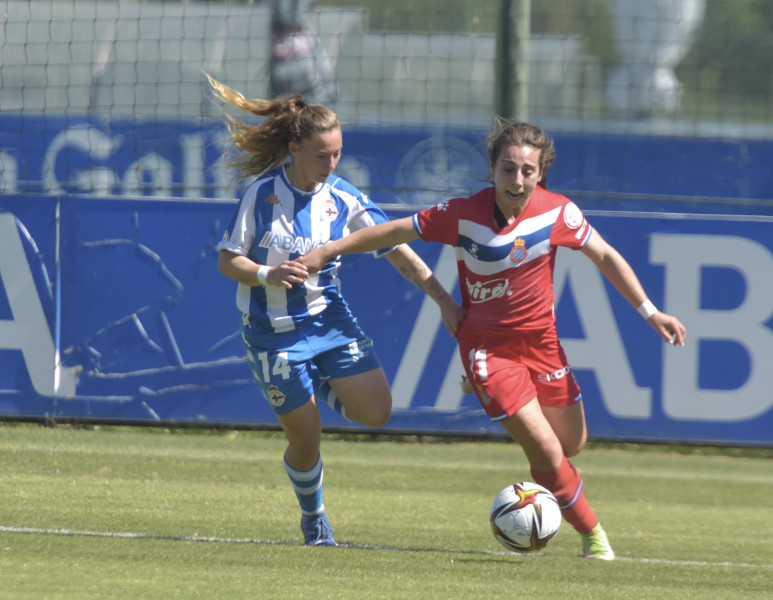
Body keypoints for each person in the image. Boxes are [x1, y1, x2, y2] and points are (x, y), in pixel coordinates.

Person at [299, 119, 687, 559]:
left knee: (568, 446)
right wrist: (328, 250)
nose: (517, 180)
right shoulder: (463, 214)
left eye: (527, 171)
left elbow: (606, 256)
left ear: (540, 174)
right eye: (508, 169)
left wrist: (651, 311)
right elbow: (395, 231)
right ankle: (594, 537)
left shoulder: (559, 212)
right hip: (486, 348)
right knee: (543, 449)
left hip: (543, 346)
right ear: (492, 168)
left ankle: (543, 475)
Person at [207, 74, 464, 547]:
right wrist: (267, 274)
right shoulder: (261, 195)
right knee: (307, 440)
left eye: (338, 152)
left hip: (329, 321)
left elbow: (398, 249)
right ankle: (315, 518)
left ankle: (318, 383)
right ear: (294, 148)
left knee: (377, 412)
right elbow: (228, 261)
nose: (331, 163)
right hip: (273, 334)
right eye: (322, 154)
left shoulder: (342, 197)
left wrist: (443, 299)